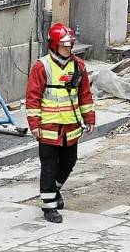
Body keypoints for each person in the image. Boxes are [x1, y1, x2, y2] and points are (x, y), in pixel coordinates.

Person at [25, 23, 95, 223]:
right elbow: (33, 97)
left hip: (71, 128)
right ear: (55, 45)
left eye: (71, 44)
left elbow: (85, 94)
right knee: (48, 166)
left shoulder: (78, 66)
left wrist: (89, 118)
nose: (69, 48)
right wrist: (35, 124)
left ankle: (54, 190)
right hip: (48, 127)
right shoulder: (42, 66)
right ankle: (49, 208)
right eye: (65, 45)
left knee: (69, 162)